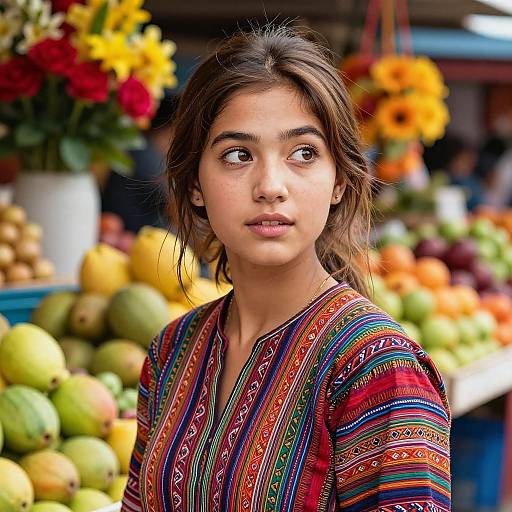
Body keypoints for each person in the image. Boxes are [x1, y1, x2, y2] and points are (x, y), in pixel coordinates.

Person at [122, 25, 451, 512]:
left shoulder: (378, 370)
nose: (270, 185)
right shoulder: (171, 352)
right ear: (194, 184)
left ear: (338, 179)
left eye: (303, 153)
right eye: (238, 155)